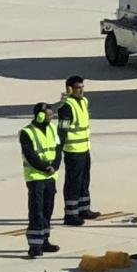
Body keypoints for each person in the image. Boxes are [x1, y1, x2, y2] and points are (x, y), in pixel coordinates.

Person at [17, 103, 61, 258]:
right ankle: (34, 246)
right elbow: (30, 155)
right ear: (40, 116)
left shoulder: (53, 128)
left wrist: (55, 166)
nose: (51, 117)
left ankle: (45, 241)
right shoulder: (27, 132)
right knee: (37, 211)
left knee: (48, 210)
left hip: (50, 176)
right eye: (49, 115)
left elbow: (58, 149)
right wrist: (44, 168)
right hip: (35, 177)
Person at [54, 75, 98, 227]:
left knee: (85, 180)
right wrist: (58, 150)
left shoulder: (84, 101)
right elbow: (62, 130)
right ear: (69, 89)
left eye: (82, 87)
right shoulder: (66, 106)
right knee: (73, 182)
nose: (81, 90)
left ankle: (84, 209)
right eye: (78, 88)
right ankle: (71, 214)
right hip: (73, 150)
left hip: (85, 148)